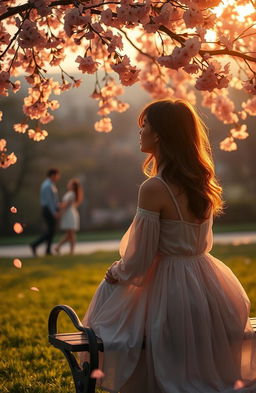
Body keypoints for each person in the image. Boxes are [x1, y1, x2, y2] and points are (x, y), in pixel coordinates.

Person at [81, 100, 256, 393]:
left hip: (172, 289)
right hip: (210, 285)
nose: (140, 131)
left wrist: (117, 272)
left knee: (109, 290)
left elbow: (140, 261)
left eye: (145, 125)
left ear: (160, 134)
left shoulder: (154, 188)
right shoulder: (201, 182)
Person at [30, 168, 60, 256]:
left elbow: (53, 200)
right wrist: (54, 212)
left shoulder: (50, 184)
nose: (58, 177)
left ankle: (48, 250)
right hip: (48, 210)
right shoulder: (47, 185)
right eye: (57, 175)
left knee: (51, 231)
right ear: (53, 175)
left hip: (49, 209)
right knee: (50, 231)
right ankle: (35, 245)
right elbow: (49, 201)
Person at [54, 178, 83, 255]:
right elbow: (65, 204)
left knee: (71, 234)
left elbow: (66, 205)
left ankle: (69, 250)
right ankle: (60, 247)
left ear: (73, 186)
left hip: (69, 214)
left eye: (70, 184)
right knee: (69, 234)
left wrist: (59, 209)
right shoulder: (70, 193)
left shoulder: (72, 194)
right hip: (68, 213)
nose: (68, 184)